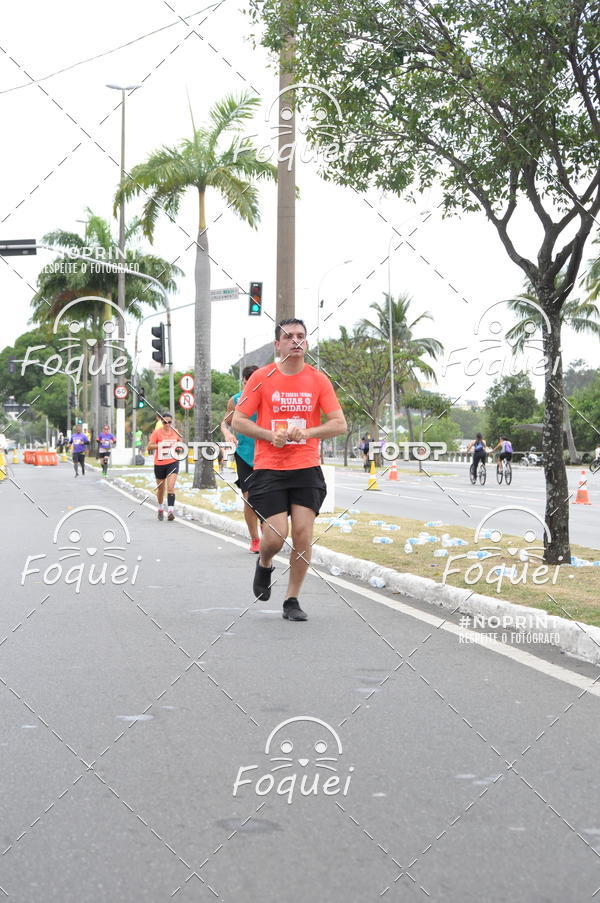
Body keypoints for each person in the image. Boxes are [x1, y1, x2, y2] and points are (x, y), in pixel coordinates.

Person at [232, 318, 347, 621]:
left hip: (306, 467)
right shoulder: (261, 377)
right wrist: (269, 435)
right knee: (275, 537)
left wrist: (308, 432)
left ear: (306, 343)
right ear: (278, 344)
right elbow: (238, 421)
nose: (296, 340)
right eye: (289, 336)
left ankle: (292, 599)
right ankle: (265, 562)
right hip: (269, 468)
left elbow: (339, 424)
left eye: (300, 336)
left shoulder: (318, 380)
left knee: (302, 534)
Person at [221, 365, 261, 553]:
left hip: (268, 454)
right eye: (248, 381)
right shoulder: (235, 400)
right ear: (244, 381)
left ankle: (267, 529)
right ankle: (255, 540)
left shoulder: (269, 398)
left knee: (269, 497)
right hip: (245, 454)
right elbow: (225, 422)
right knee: (249, 498)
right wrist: (227, 434)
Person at [147, 413, 181, 521]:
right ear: (161, 422)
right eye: (164, 422)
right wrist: (160, 445)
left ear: (172, 422)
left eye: (169, 422)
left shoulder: (175, 432)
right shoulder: (157, 433)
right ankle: (161, 508)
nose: (167, 424)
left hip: (173, 462)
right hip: (160, 463)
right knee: (161, 489)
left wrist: (178, 448)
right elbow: (149, 446)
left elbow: (180, 444)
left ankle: (170, 511)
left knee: (170, 487)